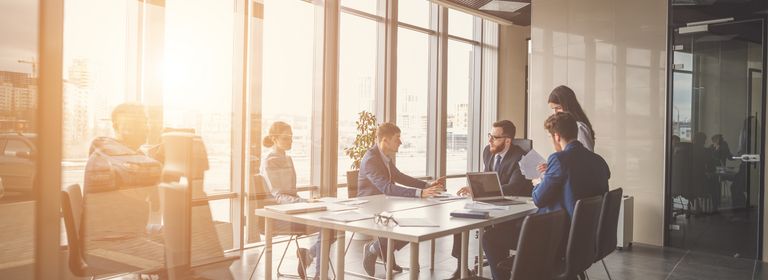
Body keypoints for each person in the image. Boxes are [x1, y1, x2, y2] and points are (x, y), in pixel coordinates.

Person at [524, 112, 610, 280]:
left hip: (561, 238)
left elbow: (538, 199)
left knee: (494, 237)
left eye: (550, 136)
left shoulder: (559, 159)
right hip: (589, 236)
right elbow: (578, 184)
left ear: (556, 136)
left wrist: (538, 183)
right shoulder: (598, 160)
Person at [358, 122, 445, 277]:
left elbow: (399, 177)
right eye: (397, 138)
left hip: (384, 206)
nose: (401, 142)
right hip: (370, 208)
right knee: (406, 226)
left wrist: (426, 185)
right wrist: (420, 193)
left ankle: (380, 248)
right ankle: (375, 249)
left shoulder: (383, 157)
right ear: (385, 140)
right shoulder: (371, 159)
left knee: (412, 225)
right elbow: (387, 187)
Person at [450, 120, 533, 280]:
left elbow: (513, 187)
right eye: (490, 135)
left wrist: (484, 191)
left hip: (514, 207)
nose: (490, 141)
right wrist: (475, 188)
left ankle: (501, 273)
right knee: (461, 219)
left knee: (493, 236)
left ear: (507, 140)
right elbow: (487, 177)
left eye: (495, 137)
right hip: (490, 202)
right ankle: (462, 267)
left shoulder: (521, 157)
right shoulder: (488, 151)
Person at [262, 121, 335, 279]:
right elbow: (278, 195)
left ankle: (308, 254)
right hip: (280, 215)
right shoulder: (269, 161)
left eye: (291, 137)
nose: (291, 141)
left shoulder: (288, 159)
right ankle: (320, 275)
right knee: (328, 226)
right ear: (274, 139)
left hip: (293, 208)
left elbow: (291, 192)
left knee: (333, 227)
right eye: (286, 138)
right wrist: (303, 203)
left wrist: (306, 201)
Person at [84, 103, 162, 192]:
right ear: (116, 127)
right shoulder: (104, 152)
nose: (145, 128)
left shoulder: (135, 154)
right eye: (136, 124)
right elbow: (139, 180)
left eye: (145, 123)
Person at [547, 85, 596, 151]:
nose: (555, 113)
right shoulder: (565, 127)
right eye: (553, 109)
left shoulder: (579, 127)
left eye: (558, 108)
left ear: (568, 106)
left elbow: (587, 158)